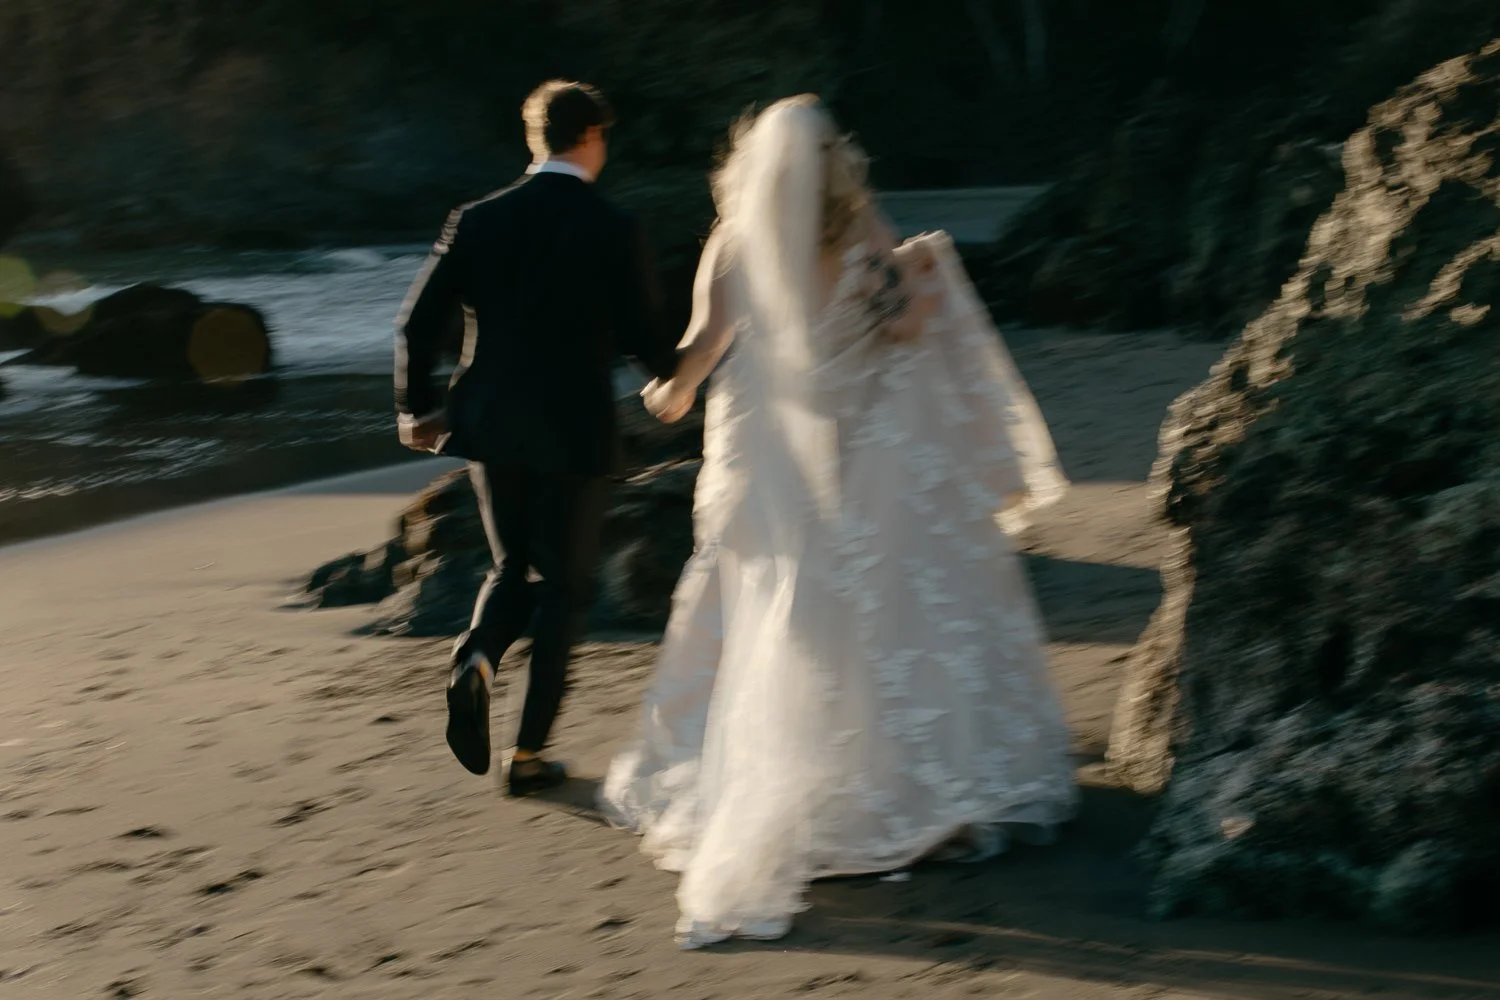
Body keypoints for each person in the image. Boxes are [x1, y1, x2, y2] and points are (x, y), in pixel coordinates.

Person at [598, 96, 1078, 948]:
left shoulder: (735, 241)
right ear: (833, 161)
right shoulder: (863, 231)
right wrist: (930, 274)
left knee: (784, 618)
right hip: (864, 456)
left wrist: (663, 394)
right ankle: (903, 785)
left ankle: (791, 784)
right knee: (882, 618)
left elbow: (703, 348)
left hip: (774, 464)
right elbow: (903, 329)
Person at [395, 80, 679, 797]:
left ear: (535, 140)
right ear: (592, 138)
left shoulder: (478, 219)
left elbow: (416, 322)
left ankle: (477, 658)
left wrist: (418, 407)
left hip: (489, 420)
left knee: (510, 564)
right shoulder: (614, 226)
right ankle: (526, 757)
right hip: (575, 426)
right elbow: (645, 334)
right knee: (566, 589)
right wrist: (680, 384)